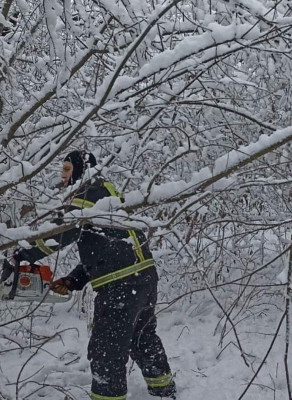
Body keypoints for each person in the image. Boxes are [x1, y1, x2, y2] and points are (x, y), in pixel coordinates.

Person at [8, 151, 176, 400]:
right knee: (142, 337)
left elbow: (65, 232)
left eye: (66, 169)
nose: (62, 176)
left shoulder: (87, 191)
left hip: (121, 284)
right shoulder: (107, 191)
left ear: (79, 169)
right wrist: (73, 280)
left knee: (107, 349)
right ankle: (163, 390)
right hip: (143, 278)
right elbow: (105, 248)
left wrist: (22, 255)